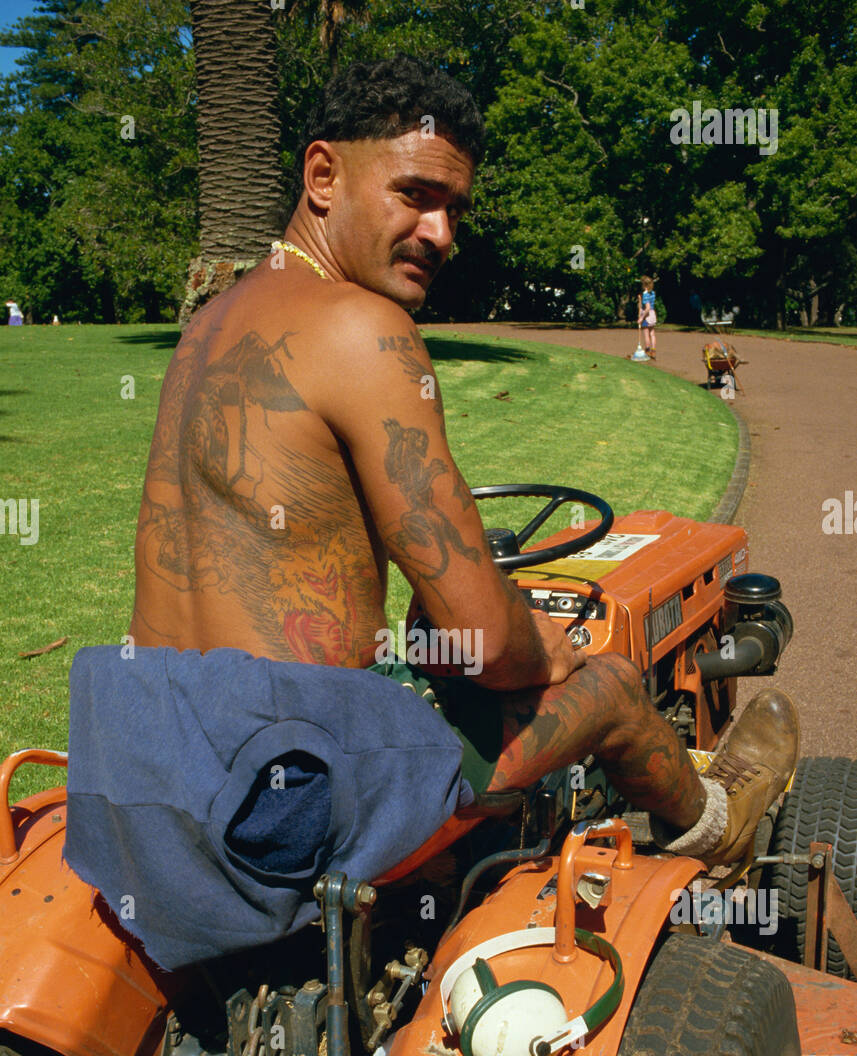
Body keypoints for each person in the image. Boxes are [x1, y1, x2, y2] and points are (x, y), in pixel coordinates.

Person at [129, 56, 797, 871]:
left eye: (454, 208)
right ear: (322, 174)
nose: (441, 233)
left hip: (156, 762)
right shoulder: (362, 327)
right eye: (415, 194)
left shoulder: (214, 323)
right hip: (288, 801)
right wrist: (546, 650)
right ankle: (717, 827)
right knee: (617, 689)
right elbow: (483, 639)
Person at [637, 276, 657, 358]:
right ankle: (653, 350)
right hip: (653, 314)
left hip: (647, 315)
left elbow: (647, 308)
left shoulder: (645, 295)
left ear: (644, 285)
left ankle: (648, 350)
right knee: (652, 334)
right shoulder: (653, 293)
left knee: (646, 334)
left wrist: (641, 318)